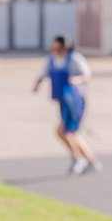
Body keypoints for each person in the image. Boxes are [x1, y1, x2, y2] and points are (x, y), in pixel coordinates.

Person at [32, 34, 101, 175]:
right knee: (63, 132)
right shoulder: (51, 60)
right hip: (62, 100)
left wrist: (77, 80)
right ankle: (86, 159)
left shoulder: (74, 59)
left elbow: (87, 76)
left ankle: (81, 159)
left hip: (74, 100)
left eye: (57, 48)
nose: (54, 50)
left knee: (69, 131)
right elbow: (42, 74)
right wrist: (37, 85)